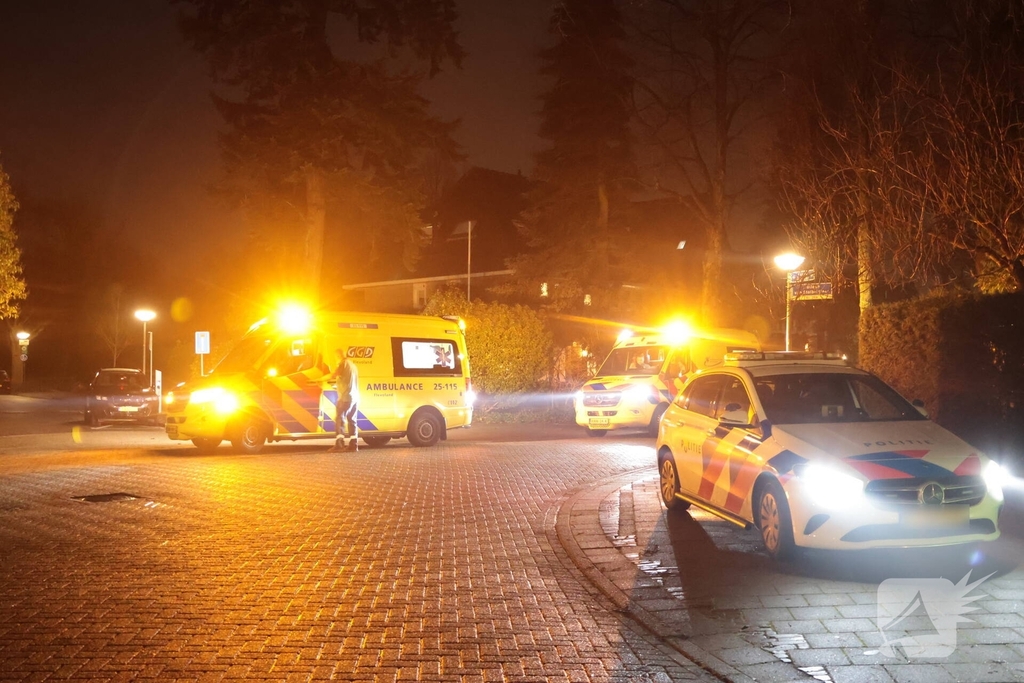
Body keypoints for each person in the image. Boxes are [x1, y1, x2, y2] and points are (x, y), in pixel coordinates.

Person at [325, 349, 359, 452]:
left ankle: (339, 444)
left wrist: (317, 379)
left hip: (345, 398)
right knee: (352, 420)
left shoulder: (343, 363)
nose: (335, 359)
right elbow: (346, 381)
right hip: (354, 397)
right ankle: (354, 445)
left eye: (336, 357)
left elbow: (333, 375)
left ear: (338, 356)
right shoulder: (352, 365)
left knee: (340, 419)